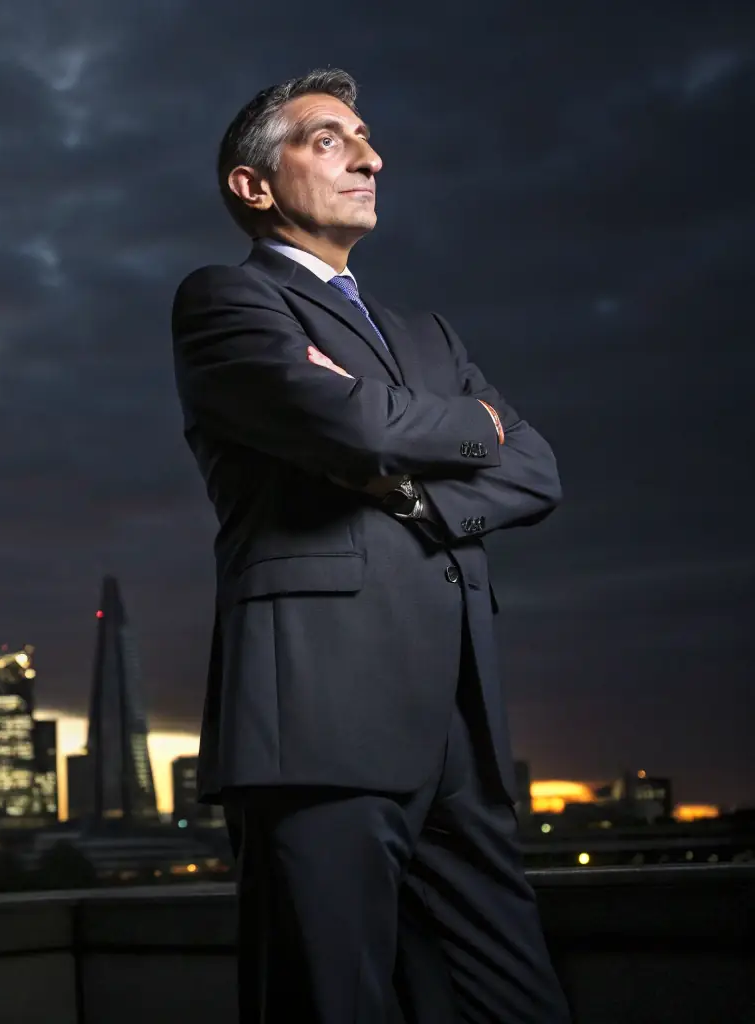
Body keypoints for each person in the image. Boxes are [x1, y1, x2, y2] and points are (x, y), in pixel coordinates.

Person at [170, 68, 572, 1022]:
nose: (369, 156)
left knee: (517, 1003)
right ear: (253, 186)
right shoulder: (225, 302)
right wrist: (460, 426)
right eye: (327, 138)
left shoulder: (426, 334)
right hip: (318, 713)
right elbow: (355, 426)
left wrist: (415, 486)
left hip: (459, 727)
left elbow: (538, 470)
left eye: (366, 136)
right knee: (328, 1002)